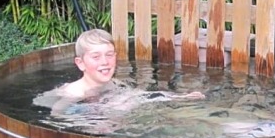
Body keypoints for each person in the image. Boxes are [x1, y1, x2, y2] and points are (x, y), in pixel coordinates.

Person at [33, 28, 204, 114]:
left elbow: (140, 96)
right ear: (80, 63)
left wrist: (180, 97)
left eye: (109, 55)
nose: (104, 62)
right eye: (96, 57)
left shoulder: (113, 84)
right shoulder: (74, 93)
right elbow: (57, 115)